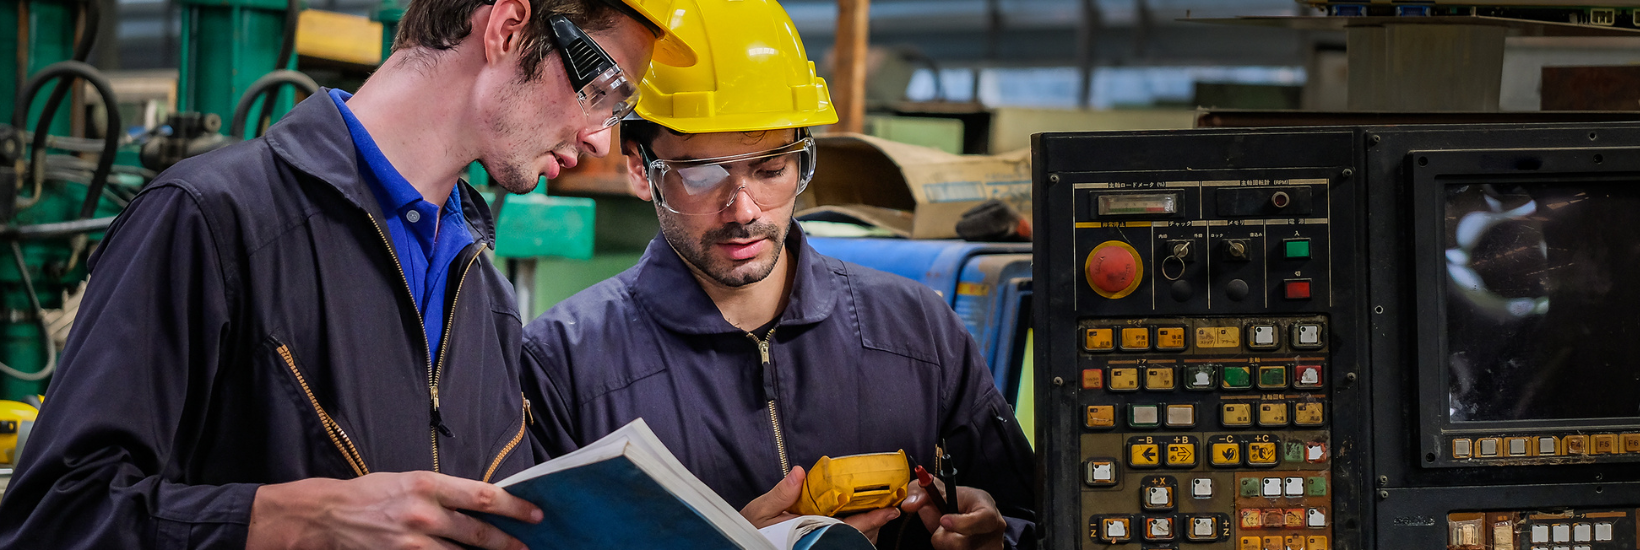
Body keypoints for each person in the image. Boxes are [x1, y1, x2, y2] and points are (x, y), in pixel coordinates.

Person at [0, 0, 698, 548]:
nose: (601, 135)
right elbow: (53, 517)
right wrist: (280, 519)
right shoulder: (213, 220)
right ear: (510, 28)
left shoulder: (482, 292)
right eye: (603, 87)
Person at [517, 1, 1036, 548]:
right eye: (702, 175)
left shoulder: (918, 332)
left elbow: (1038, 521)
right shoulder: (563, 365)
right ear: (639, 170)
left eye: (771, 169)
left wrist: (998, 537)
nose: (743, 210)